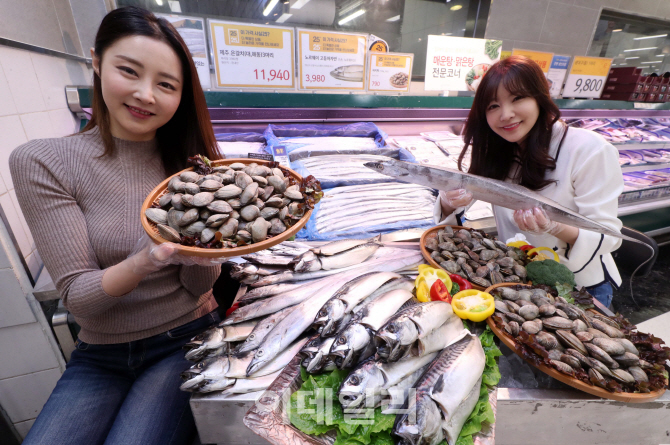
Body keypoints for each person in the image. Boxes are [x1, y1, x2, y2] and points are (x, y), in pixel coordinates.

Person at [10, 7, 224, 445]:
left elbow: (198, 288)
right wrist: (149, 257)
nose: (146, 95)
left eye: (166, 85)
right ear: (97, 61)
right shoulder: (42, 162)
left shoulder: (193, 168)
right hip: (100, 353)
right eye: (129, 71)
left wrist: (204, 252)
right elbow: (80, 300)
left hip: (187, 336)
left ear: (181, 96)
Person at [435, 55, 623, 308]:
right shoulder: (497, 150)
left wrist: (554, 227)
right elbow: (455, 211)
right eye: (492, 106)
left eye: (517, 98)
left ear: (539, 97)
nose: (506, 115)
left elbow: (609, 235)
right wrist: (448, 202)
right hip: (516, 280)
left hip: (580, 287)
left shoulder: (589, 149)